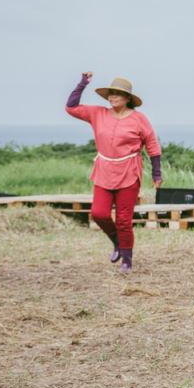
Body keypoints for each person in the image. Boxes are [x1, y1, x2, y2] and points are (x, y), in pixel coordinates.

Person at [65, 73, 162, 273]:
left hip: (129, 171)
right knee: (98, 213)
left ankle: (127, 259)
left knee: (124, 220)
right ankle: (117, 241)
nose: (113, 97)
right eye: (111, 93)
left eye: (118, 94)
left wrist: (156, 173)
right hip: (104, 170)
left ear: (128, 98)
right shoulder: (98, 113)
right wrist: (82, 83)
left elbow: (152, 144)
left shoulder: (139, 119)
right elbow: (71, 107)